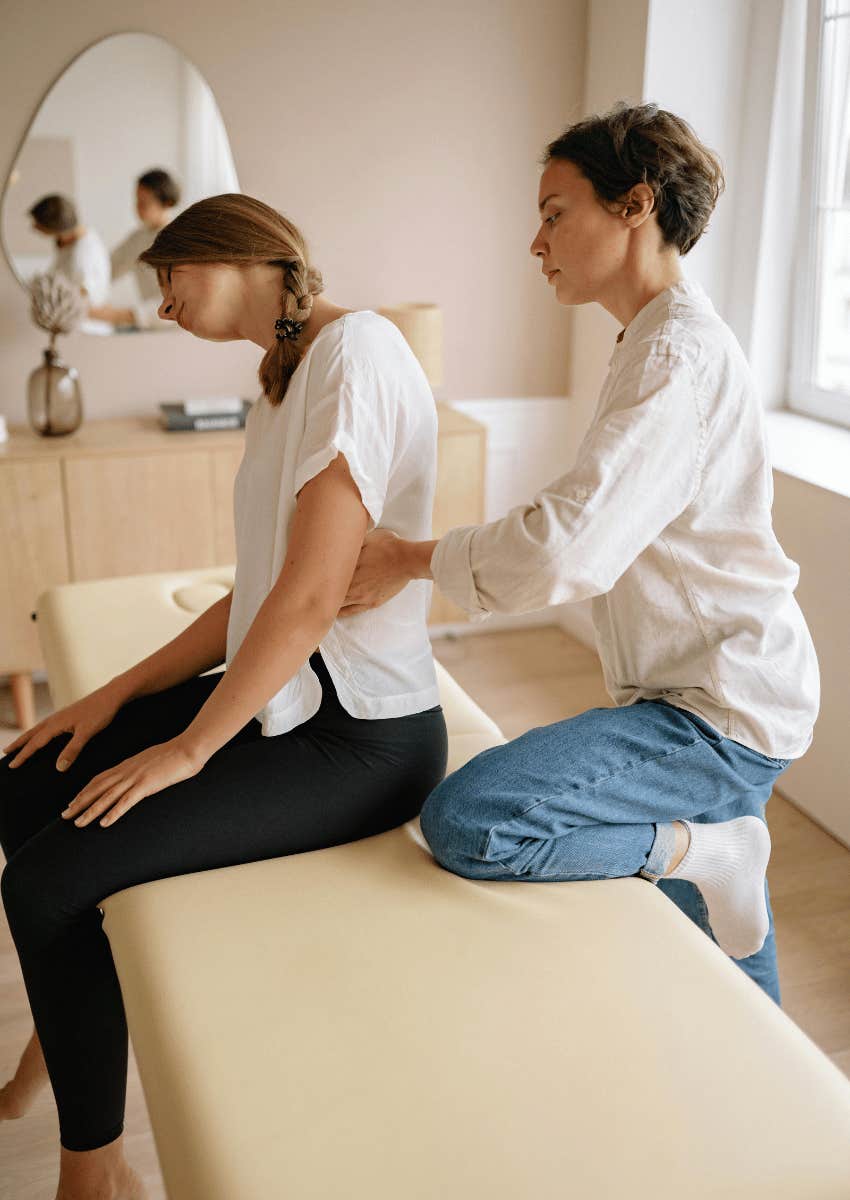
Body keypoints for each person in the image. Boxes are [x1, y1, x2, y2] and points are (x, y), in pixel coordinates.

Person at [0, 192, 448, 1200]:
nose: (163, 306)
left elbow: (307, 598)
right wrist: (109, 700)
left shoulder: (356, 355)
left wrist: (190, 748)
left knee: (43, 881)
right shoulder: (283, 382)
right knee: (27, 775)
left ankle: (95, 1169)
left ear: (234, 255)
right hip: (292, 707)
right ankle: (61, 1038)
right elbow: (255, 595)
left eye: (171, 279)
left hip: (359, 741)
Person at [341, 103, 820, 1006]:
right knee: (722, 914)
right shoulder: (655, 342)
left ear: (634, 204)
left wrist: (408, 558)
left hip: (718, 706)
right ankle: (775, 1099)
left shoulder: (675, 357)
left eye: (556, 212)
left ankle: (714, 857)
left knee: (472, 820)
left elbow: (567, 547)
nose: (536, 240)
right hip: (721, 686)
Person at [89, 169, 181, 331]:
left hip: (172, 333)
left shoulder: (178, 240)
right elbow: (108, 268)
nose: (138, 208)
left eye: (144, 203)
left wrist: (116, 315)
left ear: (166, 203)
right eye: (137, 201)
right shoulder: (138, 238)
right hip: (149, 330)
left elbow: (177, 303)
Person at [29, 193, 110, 306]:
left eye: (39, 225)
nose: (33, 227)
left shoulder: (83, 255)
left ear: (55, 229)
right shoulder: (83, 237)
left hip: (80, 321)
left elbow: (83, 298)